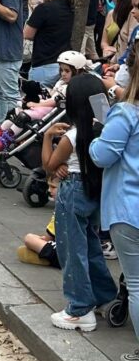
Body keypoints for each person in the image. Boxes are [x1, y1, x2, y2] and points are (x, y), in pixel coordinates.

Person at [43, 74, 116, 332]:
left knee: (72, 250)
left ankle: (79, 308)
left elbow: (49, 167)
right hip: (96, 190)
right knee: (91, 246)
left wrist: (46, 137)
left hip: (73, 189)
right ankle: (106, 296)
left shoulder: (71, 136)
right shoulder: (107, 129)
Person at [91, 63, 139, 361]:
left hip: (129, 208)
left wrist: (98, 135)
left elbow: (101, 155)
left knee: (136, 284)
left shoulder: (126, 114)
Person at [25, 0, 75, 88]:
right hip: (63, 65)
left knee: (37, 103)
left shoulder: (43, 9)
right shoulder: (69, 6)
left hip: (43, 65)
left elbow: (27, 34)